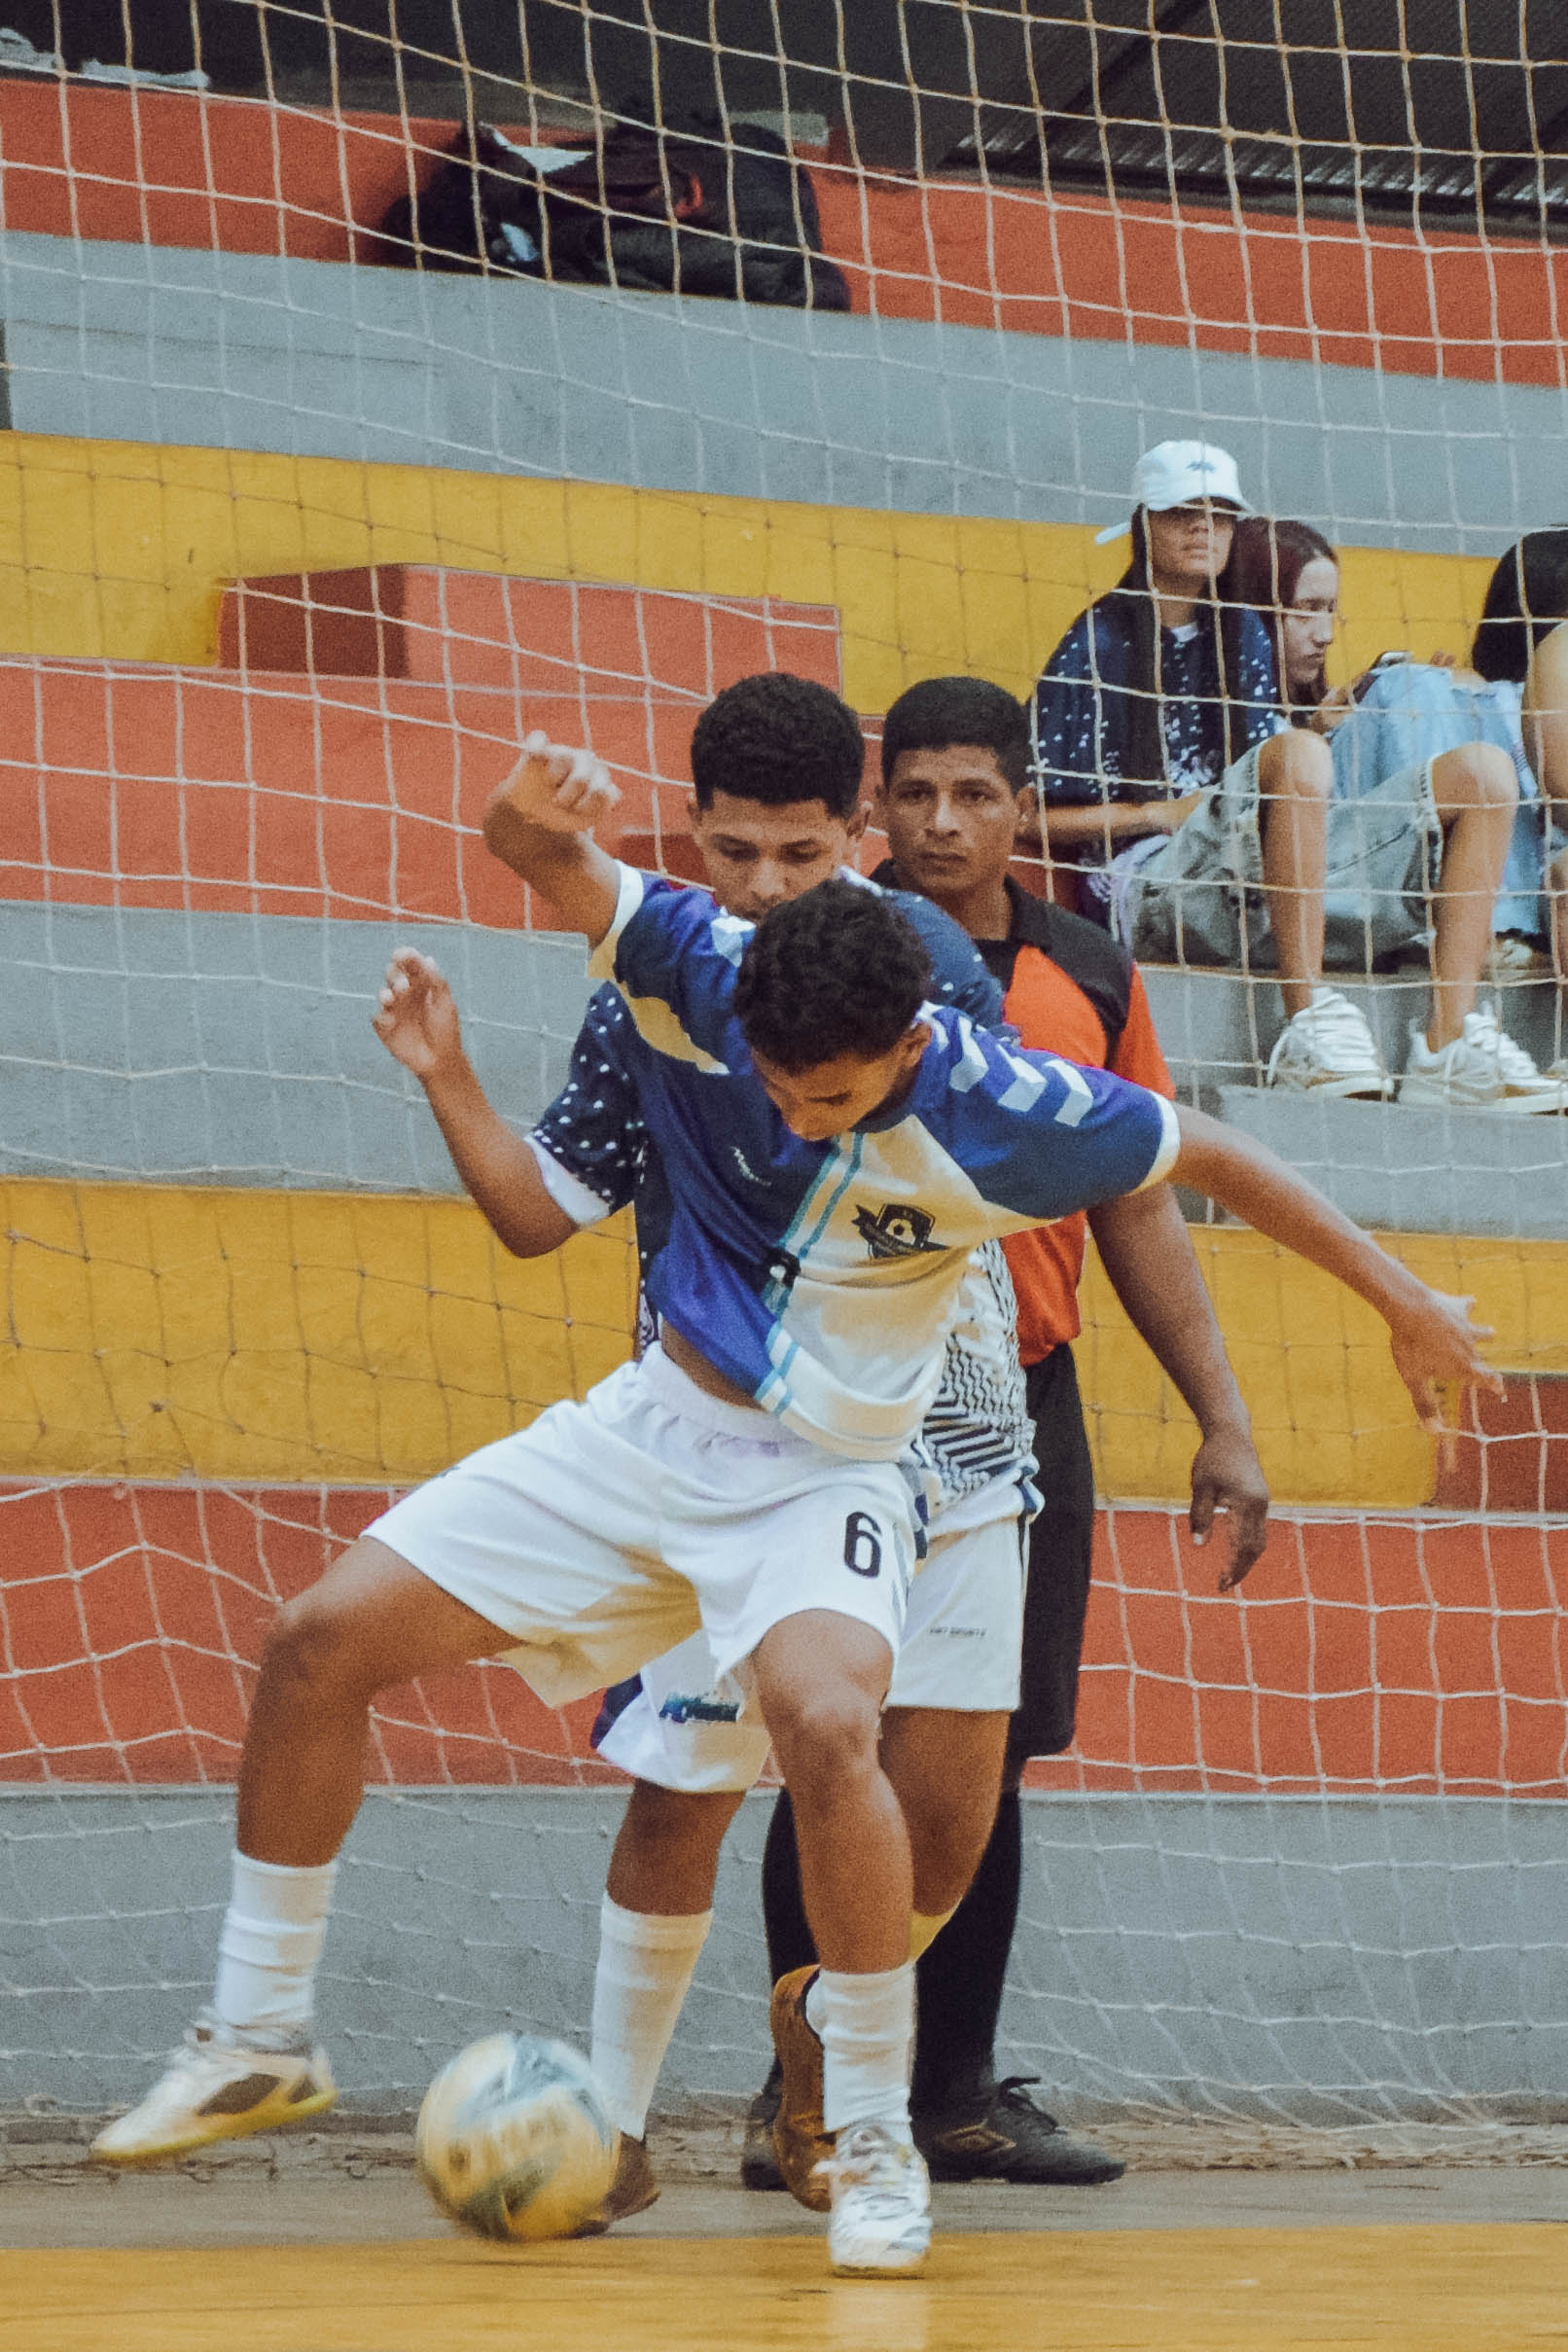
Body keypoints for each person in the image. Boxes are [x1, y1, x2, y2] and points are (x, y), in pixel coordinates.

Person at [96, 731, 1502, 2281]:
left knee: (831, 1728)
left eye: (828, 1094)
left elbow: (1215, 1151)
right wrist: (526, 813)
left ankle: (876, 2133)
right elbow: (544, 859)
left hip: (831, 1471)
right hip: (652, 1427)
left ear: (904, 1047)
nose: (793, 1113)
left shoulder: (1005, 1104)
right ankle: (260, 2030)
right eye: (773, 1081)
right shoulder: (702, 966)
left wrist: (1403, 1298)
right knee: (315, 1639)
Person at [374, 671, 1110, 2220]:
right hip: (725, 1446)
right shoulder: (645, 981)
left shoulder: (923, 976)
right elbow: (542, 1211)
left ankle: (825, 2031)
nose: (766, 888)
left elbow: (1087, 1164)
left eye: (801, 855)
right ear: (692, 833)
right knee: (685, 1783)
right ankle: (615, 2131)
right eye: (732, 853)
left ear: (856, 832)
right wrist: (448, 1082)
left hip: (949, 1442)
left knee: (945, 1832)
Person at [744, 673, 1269, 2188]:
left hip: (1016, 1403)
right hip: (842, 1410)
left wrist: (1222, 1414)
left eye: (974, 793)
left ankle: (953, 2092)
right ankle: (806, 2093)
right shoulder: (815, 956)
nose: (941, 821)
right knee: (830, 1743)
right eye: (913, 792)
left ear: (1025, 807)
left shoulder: (1089, 969)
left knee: (996, 1750)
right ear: (874, 807)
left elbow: (1139, 1194)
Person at [1030, 441, 1391, 1098]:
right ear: (1145, 525)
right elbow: (1029, 818)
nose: (1204, 528)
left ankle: (1448, 1043)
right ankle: (1308, 1019)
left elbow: (1268, 778)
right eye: (1182, 512)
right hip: (1145, 882)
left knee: (1474, 776)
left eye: (1221, 515)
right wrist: (1157, 813)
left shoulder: (1243, 633)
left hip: (1238, 862)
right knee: (1301, 752)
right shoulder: (1096, 640)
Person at [1220, 516, 1565, 1113]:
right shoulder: (1265, 710)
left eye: (1331, 610)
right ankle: (1440, 956)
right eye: (1305, 611)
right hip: (1238, 882)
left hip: (1346, 867)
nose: (1325, 634)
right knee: (1413, 689)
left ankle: (1459, 1014)